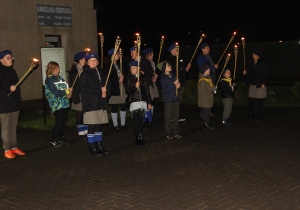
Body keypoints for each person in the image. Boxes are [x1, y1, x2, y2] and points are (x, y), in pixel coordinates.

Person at [80, 53, 110, 156]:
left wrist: (106, 92)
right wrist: (99, 90)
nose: (93, 62)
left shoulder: (101, 72)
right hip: (91, 104)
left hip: (101, 103)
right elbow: (84, 90)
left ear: (97, 62)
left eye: (94, 60)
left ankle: (99, 146)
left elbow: (106, 84)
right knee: (92, 126)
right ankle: (92, 147)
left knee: (99, 126)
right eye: (90, 60)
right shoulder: (85, 74)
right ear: (87, 63)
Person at [0, 50, 25, 159]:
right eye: (8, 58)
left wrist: (19, 103)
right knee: (6, 128)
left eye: (11, 58)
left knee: (13, 127)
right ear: (1, 60)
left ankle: (14, 147)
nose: (11, 60)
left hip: (14, 104)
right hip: (4, 106)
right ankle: (7, 149)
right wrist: (7, 89)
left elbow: (17, 89)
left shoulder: (12, 71)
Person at [45, 61, 72, 147]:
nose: (58, 70)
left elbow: (65, 88)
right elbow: (55, 92)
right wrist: (65, 93)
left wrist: (69, 92)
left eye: (58, 68)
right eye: (56, 69)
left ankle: (61, 138)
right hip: (56, 104)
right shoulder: (49, 79)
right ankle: (54, 139)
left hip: (64, 103)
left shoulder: (60, 78)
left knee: (63, 122)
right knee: (59, 122)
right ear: (51, 69)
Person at [125, 60, 151, 146]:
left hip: (142, 101)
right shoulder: (130, 78)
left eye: (133, 68)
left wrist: (149, 102)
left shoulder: (142, 77)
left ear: (138, 68)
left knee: (140, 120)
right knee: (136, 120)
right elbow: (127, 91)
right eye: (131, 68)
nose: (132, 70)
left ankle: (140, 137)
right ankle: (137, 138)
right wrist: (134, 87)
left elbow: (147, 90)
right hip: (135, 101)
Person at [130, 46, 154, 129]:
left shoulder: (144, 61)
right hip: (137, 87)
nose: (131, 54)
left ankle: (150, 121)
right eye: (131, 52)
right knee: (140, 105)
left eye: (133, 52)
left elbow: (151, 71)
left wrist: (143, 73)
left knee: (147, 103)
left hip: (145, 85)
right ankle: (143, 121)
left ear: (137, 52)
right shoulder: (132, 63)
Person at [166, 44, 191, 122]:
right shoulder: (170, 60)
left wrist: (186, 69)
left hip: (181, 83)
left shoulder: (179, 58)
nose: (177, 50)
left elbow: (182, 70)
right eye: (176, 49)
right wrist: (184, 70)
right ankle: (173, 117)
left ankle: (176, 116)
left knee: (178, 100)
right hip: (175, 83)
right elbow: (175, 71)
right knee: (175, 100)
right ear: (172, 51)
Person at [104, 48, 127, 132]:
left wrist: (123, 76)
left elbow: (123, 72)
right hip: (114, 88)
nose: (119, 55)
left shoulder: (118, 64)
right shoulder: (108, 66)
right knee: (115, 106)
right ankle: (115, 125)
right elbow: (108, 78)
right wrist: (117, 80)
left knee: (123, 105)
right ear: (112, 55)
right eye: (117, 54)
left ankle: (123, 124)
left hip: (121, 87)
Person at [158, 61, 182, 139]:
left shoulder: (174, 75)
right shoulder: (162, 77)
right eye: (168, 65)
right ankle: (168, 131)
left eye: (170, 64)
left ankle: (175, 130)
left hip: (175, 98)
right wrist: (174, 84)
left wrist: (178, 86)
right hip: (168, 99)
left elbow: (178, 86)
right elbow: (165, 89)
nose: (170, 66)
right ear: (164, 68)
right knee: (168, 116)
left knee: (176, 115)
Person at [243, 50, 268, 120]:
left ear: (258, 56)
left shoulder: (263, 63)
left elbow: (265, 74)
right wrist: (246, 73)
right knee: (251, 99)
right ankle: (251, 113)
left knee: (259, 100)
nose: (253, 56)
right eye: (253, 54)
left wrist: (264, 83)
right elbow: (250, 73)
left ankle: (260, 114)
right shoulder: (251, 63)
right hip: (252, 84)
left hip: (259, 84)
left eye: (254, 55)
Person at [68, 51, 88, 140]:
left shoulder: (87, 69)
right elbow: (72, 84)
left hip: (86, 94)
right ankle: (81, 132)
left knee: (86, 113)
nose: (86, 60)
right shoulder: (73, 71)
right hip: (78, 94)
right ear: (80, 60)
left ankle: (86, 131)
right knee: (79, 113)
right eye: (84, 59)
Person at [142, 48, 160, 126]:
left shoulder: (152, 62)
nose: (153, 55)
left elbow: (156, 71)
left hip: (152, 84)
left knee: (152, 102)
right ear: (147, 54)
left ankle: (150, 119)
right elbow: (146, 74)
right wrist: (153, 76)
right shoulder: (144, 62)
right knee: (148, 102)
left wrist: (156, 75)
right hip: (148, 84)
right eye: (151, 54)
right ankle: (146, 120)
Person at [198, 62, 216, 130]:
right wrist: (213, 89)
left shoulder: (209, 78)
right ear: (204, 71)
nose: (209, 70)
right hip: (204, 99)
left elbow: (212, 84)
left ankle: (208, 122)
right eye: (208, 69)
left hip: (208, 98)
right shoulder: (202, 80)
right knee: (205, 111)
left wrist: (214, 88)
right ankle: (205, 124)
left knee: (208, 111)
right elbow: (204, 89)